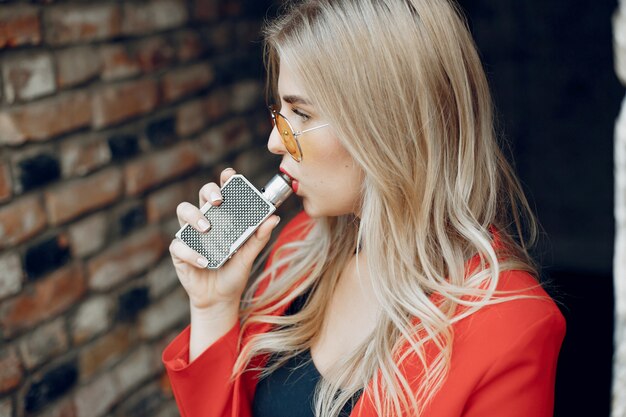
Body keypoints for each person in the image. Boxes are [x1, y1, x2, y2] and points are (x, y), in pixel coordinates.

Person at [163, 0, 566, 416]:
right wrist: (213, 308)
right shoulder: (298, 248)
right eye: (280, 111)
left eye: (300, 113)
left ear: (386, 125)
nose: (274, 141)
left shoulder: (514, 327)